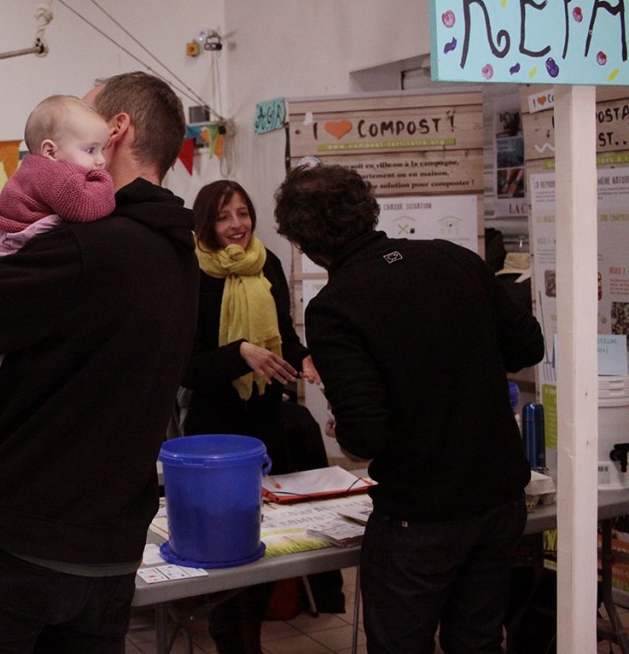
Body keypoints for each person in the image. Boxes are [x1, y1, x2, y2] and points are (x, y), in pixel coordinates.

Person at [0, 71, 199, 653]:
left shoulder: (86, 247)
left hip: (15, 551)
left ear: (116, 131)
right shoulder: (177, 250)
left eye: (82, 125)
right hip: (108, 556)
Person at [274, 163, 544, 654]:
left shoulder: (335, 305)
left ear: (304, 244)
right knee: (480, 641)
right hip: (499, 497)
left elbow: (366, 437)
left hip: (422, 514)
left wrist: (345, 421)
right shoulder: (454, 259)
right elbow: (528, 346)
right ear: (368, 209)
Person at [183, 179, 319, 653]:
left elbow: (283, 337)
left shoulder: (268, 263)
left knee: (267, 542)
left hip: (265, 423)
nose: (237, 224)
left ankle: (251, 636)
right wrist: (239, 353)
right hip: (213, 432)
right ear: (205, 223)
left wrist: (304, 358)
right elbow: (185, 367)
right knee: (222, 546)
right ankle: (228, 639)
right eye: (223, 217)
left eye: (243, 213)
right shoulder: (190, 271)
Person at [0, 94, 114, 454]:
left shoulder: (37, 171)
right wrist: (107, 183)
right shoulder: (52, 174)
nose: (100, 161)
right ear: (49, 150)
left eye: (103, 151)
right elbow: (88, 206)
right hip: (12, 253)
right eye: (90, 150)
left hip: (7, 250)